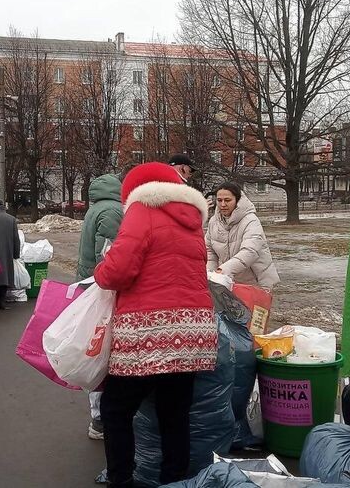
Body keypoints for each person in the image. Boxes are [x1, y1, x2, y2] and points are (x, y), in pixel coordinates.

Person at [94, 162, 218, 488]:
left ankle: (121, 481)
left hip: (150, 331)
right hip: (194, 330)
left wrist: (100, 272)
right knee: (174, 415)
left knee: (115, 408)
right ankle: (173, 482)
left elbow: (118, 271)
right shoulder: (193, 222)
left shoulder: (142, 209)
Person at [74, 173, 124, 441]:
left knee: (97, 354)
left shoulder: (96, 209)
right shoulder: (113, 211)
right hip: (101, 291)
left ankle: (99, 416)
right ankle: (101, 419)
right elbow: (108, 257)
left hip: (89, 286)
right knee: (105, 356)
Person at [205, 182, 280, 290]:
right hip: (227, 281)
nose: (223, 204)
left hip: (255, 282)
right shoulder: (214, 221)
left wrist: (224, 269)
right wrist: (210, 272)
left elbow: (250, 251)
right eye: (219, 200)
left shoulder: (250, 220)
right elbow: (209, 250)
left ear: (237, 200)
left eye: (227, 200)